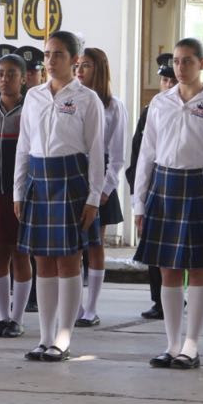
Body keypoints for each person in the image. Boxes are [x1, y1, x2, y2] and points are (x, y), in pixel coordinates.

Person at [133, 38, 203, 369]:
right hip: (165, 187)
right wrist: (139, 203)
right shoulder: (160, 102)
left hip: (200, 186)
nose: (180, 67)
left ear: (202, 64)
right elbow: (146, 154)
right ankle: (172, 344)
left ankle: (191, 345)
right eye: (176, 61)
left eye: (188, 61)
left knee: (199, 268)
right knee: (168, 269)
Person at [13, 30, 104, 363]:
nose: (51, 61)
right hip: (39, 179)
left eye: (59, 54)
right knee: (42, 261)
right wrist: (18, 190)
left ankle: (63, 339)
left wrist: (94, 197)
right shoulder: (33, 96)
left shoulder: (87, 99)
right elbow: (24, 146)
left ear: (75, 60)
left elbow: (97, 151)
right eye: (47, 54)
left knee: (68, 261)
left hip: (71, 180)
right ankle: (44, 337)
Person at [73, 47, 127, 327]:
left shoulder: (113, 105)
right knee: (73, 247)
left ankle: (91, 308)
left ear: (99, 69)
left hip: (101, 174)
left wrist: (106, 188)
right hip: (74, 173)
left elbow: (117, 155)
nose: (80, 71)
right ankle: (75, 305)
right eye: (78, 65)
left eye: (87, 65)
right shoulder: (74, 99)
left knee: (94, 245)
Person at [0, 51, 33, 338]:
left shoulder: (31, 111)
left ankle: (17, 318)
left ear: (23, 79)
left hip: (21, 195)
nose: (5, 79)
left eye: (12, 74)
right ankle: (2, 317)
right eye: (1, 73)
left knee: (20, 254)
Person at [126, 54, 177, 321]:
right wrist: (137, 194)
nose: (168, 85)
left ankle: (179, 296)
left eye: (172, 80)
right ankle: (158, 299)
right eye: (165, 80)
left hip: (179, 183)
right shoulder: (151, 110)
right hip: (153, 185)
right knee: (155, 249)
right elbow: (139, 154)